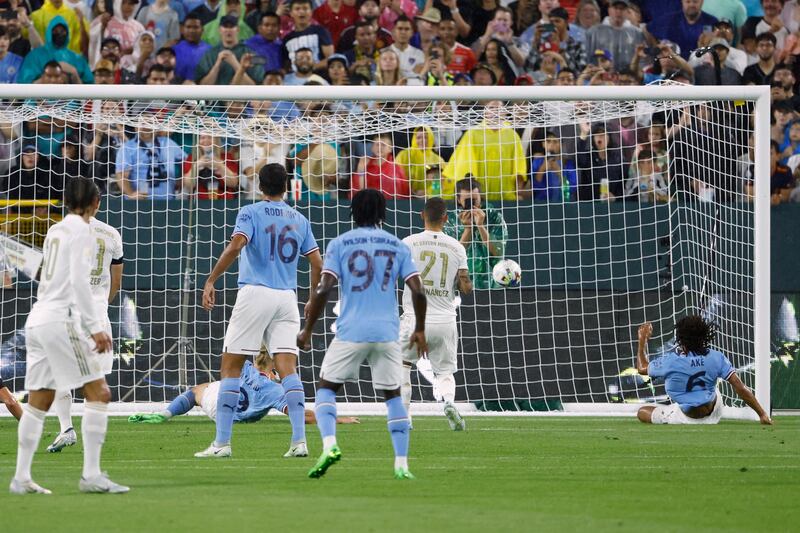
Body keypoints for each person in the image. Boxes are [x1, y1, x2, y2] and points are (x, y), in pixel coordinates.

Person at [297, 188, 428, 480]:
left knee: (327, 389)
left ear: (353, 212)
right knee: (393, 396)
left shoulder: (340, 244)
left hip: (351, 331)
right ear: (382, 212)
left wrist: (307, 329)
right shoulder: (397, 245)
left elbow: (324, 288)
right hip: (386, 333)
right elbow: (418, 290)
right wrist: (419, 328)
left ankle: (330, 445)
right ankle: (402, 464)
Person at [196, 163, 322, 459]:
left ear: (260, 186)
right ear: (286, 186)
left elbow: (236, 245)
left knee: (230, 366)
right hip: (287, 296)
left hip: (255, 292)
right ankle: (299, 442)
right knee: (288, 368)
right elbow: (318, 263)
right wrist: (312, 298)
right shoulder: (299, 218)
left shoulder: (250, 212)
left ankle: (222, 444)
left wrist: (211, 279)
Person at [10, 177, 125, 495]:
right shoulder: (85, 231)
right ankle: (91, 476)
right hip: (62, 320)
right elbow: (79, 280)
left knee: (40, 400)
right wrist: (95, 326)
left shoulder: (56, 229)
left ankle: (21, 478)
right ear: (95, 203)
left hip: (37, 319)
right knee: (99, 392)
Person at [46, 212, 124, 453]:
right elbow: (116, 281)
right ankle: (91, 445)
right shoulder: (111, 233)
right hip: (97, 317)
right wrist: (102, 305)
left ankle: (67, 428)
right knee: (95, 381)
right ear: (97, 203)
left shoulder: (57, 231)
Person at [129, 351, 359, 425]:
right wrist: (337, 419)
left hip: (214, 405)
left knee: (198, 389)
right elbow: (302, 416)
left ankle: (165, 414)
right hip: (232, 419)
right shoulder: (277, 391)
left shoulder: (246, 365)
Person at [399, 197, 472, 430]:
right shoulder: (457, 247)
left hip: (414, 318)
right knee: (445, 371)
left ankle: (405, 416)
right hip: (445, 320)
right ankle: (449, 402)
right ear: (446, 218)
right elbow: (465, 287)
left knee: (403, 365)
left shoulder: (408, 242)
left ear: (422, 215)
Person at [635, 318, 772, 425]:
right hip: (715, 411)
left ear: (680, 339)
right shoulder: (717, 357)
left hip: (687, 418)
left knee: (642, 412)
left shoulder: (670, 361)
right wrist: (762, 414)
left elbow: (642, 368)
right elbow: (740, 388)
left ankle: (676, 410)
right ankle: (733, 410)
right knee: (714, 387)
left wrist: (642, 340)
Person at [443, 100, 527, 201]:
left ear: (505, 113)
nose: (495, 111)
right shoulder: (473, 134)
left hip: (505, 196)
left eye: (499, 109)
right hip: (479, 196)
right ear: (484, 112)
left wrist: (518, 188)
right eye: (491, 108)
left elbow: (519, 166)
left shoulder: (513, 136)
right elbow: (463, 164)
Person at [444, 177, 507, 289]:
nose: (472, 205)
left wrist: (480, 226)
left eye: (475, 200)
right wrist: (468, 228)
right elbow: (452, 257)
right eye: (467, 201)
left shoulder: (494, 216)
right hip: (461, 284)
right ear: (458, 200)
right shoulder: (451, 220)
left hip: (491, 283)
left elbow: (498, 252)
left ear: (480, 197)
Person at [114, 125, 185, 199]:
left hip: (167, 200)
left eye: (149, 123)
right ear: (135, 127)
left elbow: (187, 161)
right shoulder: (128, 147)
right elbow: (121, 175)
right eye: (142, 124)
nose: (146, 127)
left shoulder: (167, 142)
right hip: (141, 202)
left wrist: (182, 179)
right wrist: (130, 194)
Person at [18, 17, 93, 84]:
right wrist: (47, 79)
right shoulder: (34, 56)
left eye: (62, 31)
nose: (59, 34)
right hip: (40, 98)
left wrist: (74, 73)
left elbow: (89, 90)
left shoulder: (77, 59)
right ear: (49, 33)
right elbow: (24, 85)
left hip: (70, 99)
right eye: (55, 31)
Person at [196, 15, 265, 85]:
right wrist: (217, 65)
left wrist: (235, 64)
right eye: (225, 27)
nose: (228, 30)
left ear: (238, 29)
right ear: (219, 30)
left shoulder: (250, 52)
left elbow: (254, 87)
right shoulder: (210, 54)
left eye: (231, 27)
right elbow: (202, 86)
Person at [585, 0, 644, 72]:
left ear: (627, 11)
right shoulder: (593, 32)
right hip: (601, 77)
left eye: (622, 8)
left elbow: (641, 60)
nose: (618, 12)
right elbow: (588, 58)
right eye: (615, 8)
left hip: (628, 79)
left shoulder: (637, 33)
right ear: (609, 10)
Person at [282, 0, 334, 69]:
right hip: (295, 78)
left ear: (311, 12)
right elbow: (286, 64)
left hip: (318, 76)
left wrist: (309, 69)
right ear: (291, 13)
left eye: (305, 8)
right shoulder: (287, 38)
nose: (301, 12)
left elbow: (331, 59)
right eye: (297, 9)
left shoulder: (321, 31)